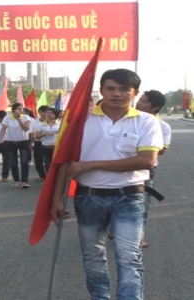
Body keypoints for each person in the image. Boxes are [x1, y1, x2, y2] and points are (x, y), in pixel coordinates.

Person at [51, 69, 163, 299]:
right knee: (93, 257)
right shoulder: (81, 119)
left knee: (129, 257)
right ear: (101, 90)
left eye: (124, 89)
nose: (116, 94)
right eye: (110, 88)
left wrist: (91, 165)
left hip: (129, 198)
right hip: (89, 197)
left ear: (134, 93)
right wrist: (55, 200)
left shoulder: (147, 122)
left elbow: (146, 160)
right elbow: (64, 161)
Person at [135, 89, 172, 248]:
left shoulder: (162, 126)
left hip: (145, 171)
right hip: (122, 168)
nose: (138, 103)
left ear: (155, 107)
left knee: (142, 205)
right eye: (140, 99)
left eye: (144, 101)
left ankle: (137, 238)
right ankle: (113, 230)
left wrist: (146, 147)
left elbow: (161, 150)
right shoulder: (127, 120)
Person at [0, 102, 32, 188]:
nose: (19, 111)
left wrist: (19, 119)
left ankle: (25, 181)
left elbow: (26, 128)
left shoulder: (26, 117)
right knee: (13, 162)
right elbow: (3, 129)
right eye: (17, 109)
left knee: (24, 162)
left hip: (23, 142)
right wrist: (1, 139)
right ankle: (16, 180)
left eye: (21, 109)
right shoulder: (7, 118)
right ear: (13, 110)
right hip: (11, 142)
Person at [35, 107, 60, 175]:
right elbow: (36, 136)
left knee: (57, 165)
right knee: (48, 165)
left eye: (51, 113)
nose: (49, 115)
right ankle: (49, 181)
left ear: (55, 115)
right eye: (48, 113)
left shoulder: (59, 124)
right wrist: (44, 134)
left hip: (56, 148)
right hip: (45, 148)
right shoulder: (41, 125)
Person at [32, 105, 49, 182]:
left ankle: (49, 175)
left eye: (45, 112)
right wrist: (31, 143)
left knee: (48, 160)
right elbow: (32, 133)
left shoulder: (52, 122)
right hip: (38, 142)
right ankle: (42, 175)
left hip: (48, 143)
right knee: (38, 160)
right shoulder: (35, 122)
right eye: (41, 112)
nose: (43, 114)